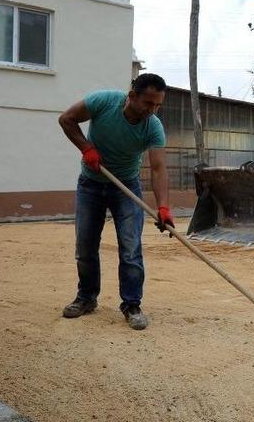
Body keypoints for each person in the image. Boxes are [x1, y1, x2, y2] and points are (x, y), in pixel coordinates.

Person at [58, 73, 174, 330]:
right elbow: (66, 119)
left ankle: (132, 304)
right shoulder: (104, 102)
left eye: (158, 105)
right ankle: (86, 298)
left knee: (131, 248)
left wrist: (163, 207)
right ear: (132, 96)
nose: (152, 110)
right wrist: (86, 148)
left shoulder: (152, 126)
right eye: (148, 103)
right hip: (90, 183)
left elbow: (157, 168)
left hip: (126, 187)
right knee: (86, 246)